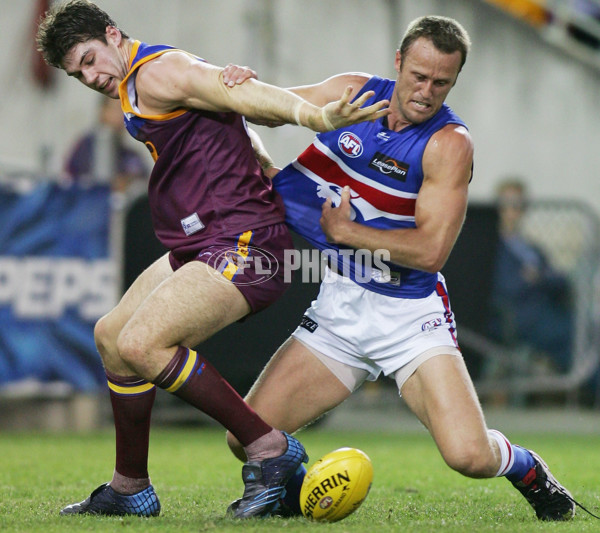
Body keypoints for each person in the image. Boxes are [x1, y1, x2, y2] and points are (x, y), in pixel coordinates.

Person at [36, 0, 389, 520]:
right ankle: (129, 487)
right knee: (112, 337)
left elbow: (237, 94)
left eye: (90, 59)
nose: (89, 77)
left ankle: (270, 449)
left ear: (113, 35)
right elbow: (225, 112)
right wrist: (255, 147)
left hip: (246, 244)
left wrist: (315, 116)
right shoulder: (133, 85)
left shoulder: (159, 71)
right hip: (202, 242)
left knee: (141, 344)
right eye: (77, 73)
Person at [224, 15, 577, 521]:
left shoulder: (449, 143)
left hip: (409, 316)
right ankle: (294, 490)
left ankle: (526, 469)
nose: (425, 92)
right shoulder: (352, 93)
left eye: (441, 83)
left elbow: (431, 251)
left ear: (454, 81)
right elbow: (276, 108)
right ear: (398, 62)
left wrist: (347, 233)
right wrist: (238, 81)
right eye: (417, 76)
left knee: (469, 456)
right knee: (246, 436)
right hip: (343, 303)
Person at [489, 178, 573, 373]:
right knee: (572, 336)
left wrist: (540, 278)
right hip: (520, 317)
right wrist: (541, 279)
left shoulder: (531, 248)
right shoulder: (493, 249)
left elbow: (561, 281)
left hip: (547, 312)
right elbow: (508, 286)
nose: (513, 211)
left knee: (585, 333)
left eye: (518, 205)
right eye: (507, 205)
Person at [64, 97, 148, 192]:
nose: (124, 115)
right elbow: (68, 182)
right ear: (103, 111)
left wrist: (128, 182)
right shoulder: (83, 149)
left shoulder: (131, 156)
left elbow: (143, 187)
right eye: (119, 109)